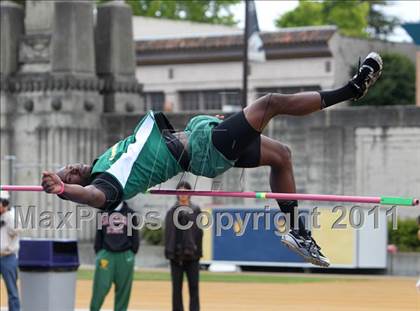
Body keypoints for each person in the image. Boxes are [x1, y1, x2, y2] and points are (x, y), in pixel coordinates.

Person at [41, 52, 383, 267]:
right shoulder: (106, 182)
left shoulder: (105, 159)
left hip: (204, 140)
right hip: (206, 148)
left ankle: (299, 233)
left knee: (282, 156)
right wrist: (63, 191)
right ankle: (352, 90)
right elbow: (95, 198)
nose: (70, 170)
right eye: (68, 175)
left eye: (67, 168)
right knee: (271, 103)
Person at [90, 201, 140, 311]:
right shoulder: (102, 213)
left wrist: (132, 252)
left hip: (125, 255)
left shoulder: (131, 214)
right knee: (100, 287)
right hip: (106, 254)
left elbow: (135, 236)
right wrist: (99, 252)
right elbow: (99, 235)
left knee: (123, 290)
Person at [165, 181, 203, 311]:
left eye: (185, 192)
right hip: (176, 256)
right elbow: (169, 233)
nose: (183, 195)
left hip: (192, 256)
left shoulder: (196, 210)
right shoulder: (172, 211)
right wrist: (170, 252)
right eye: (180, 192)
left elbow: (199, 233)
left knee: (194, 287)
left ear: (189, 193)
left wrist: (197, 252)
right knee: (176, 289)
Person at [0, 191, 21, 311]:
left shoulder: (11, 217)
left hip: (8, 257)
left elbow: (16, 230)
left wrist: (7, 216)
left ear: (4, 203)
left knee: (12, 291)